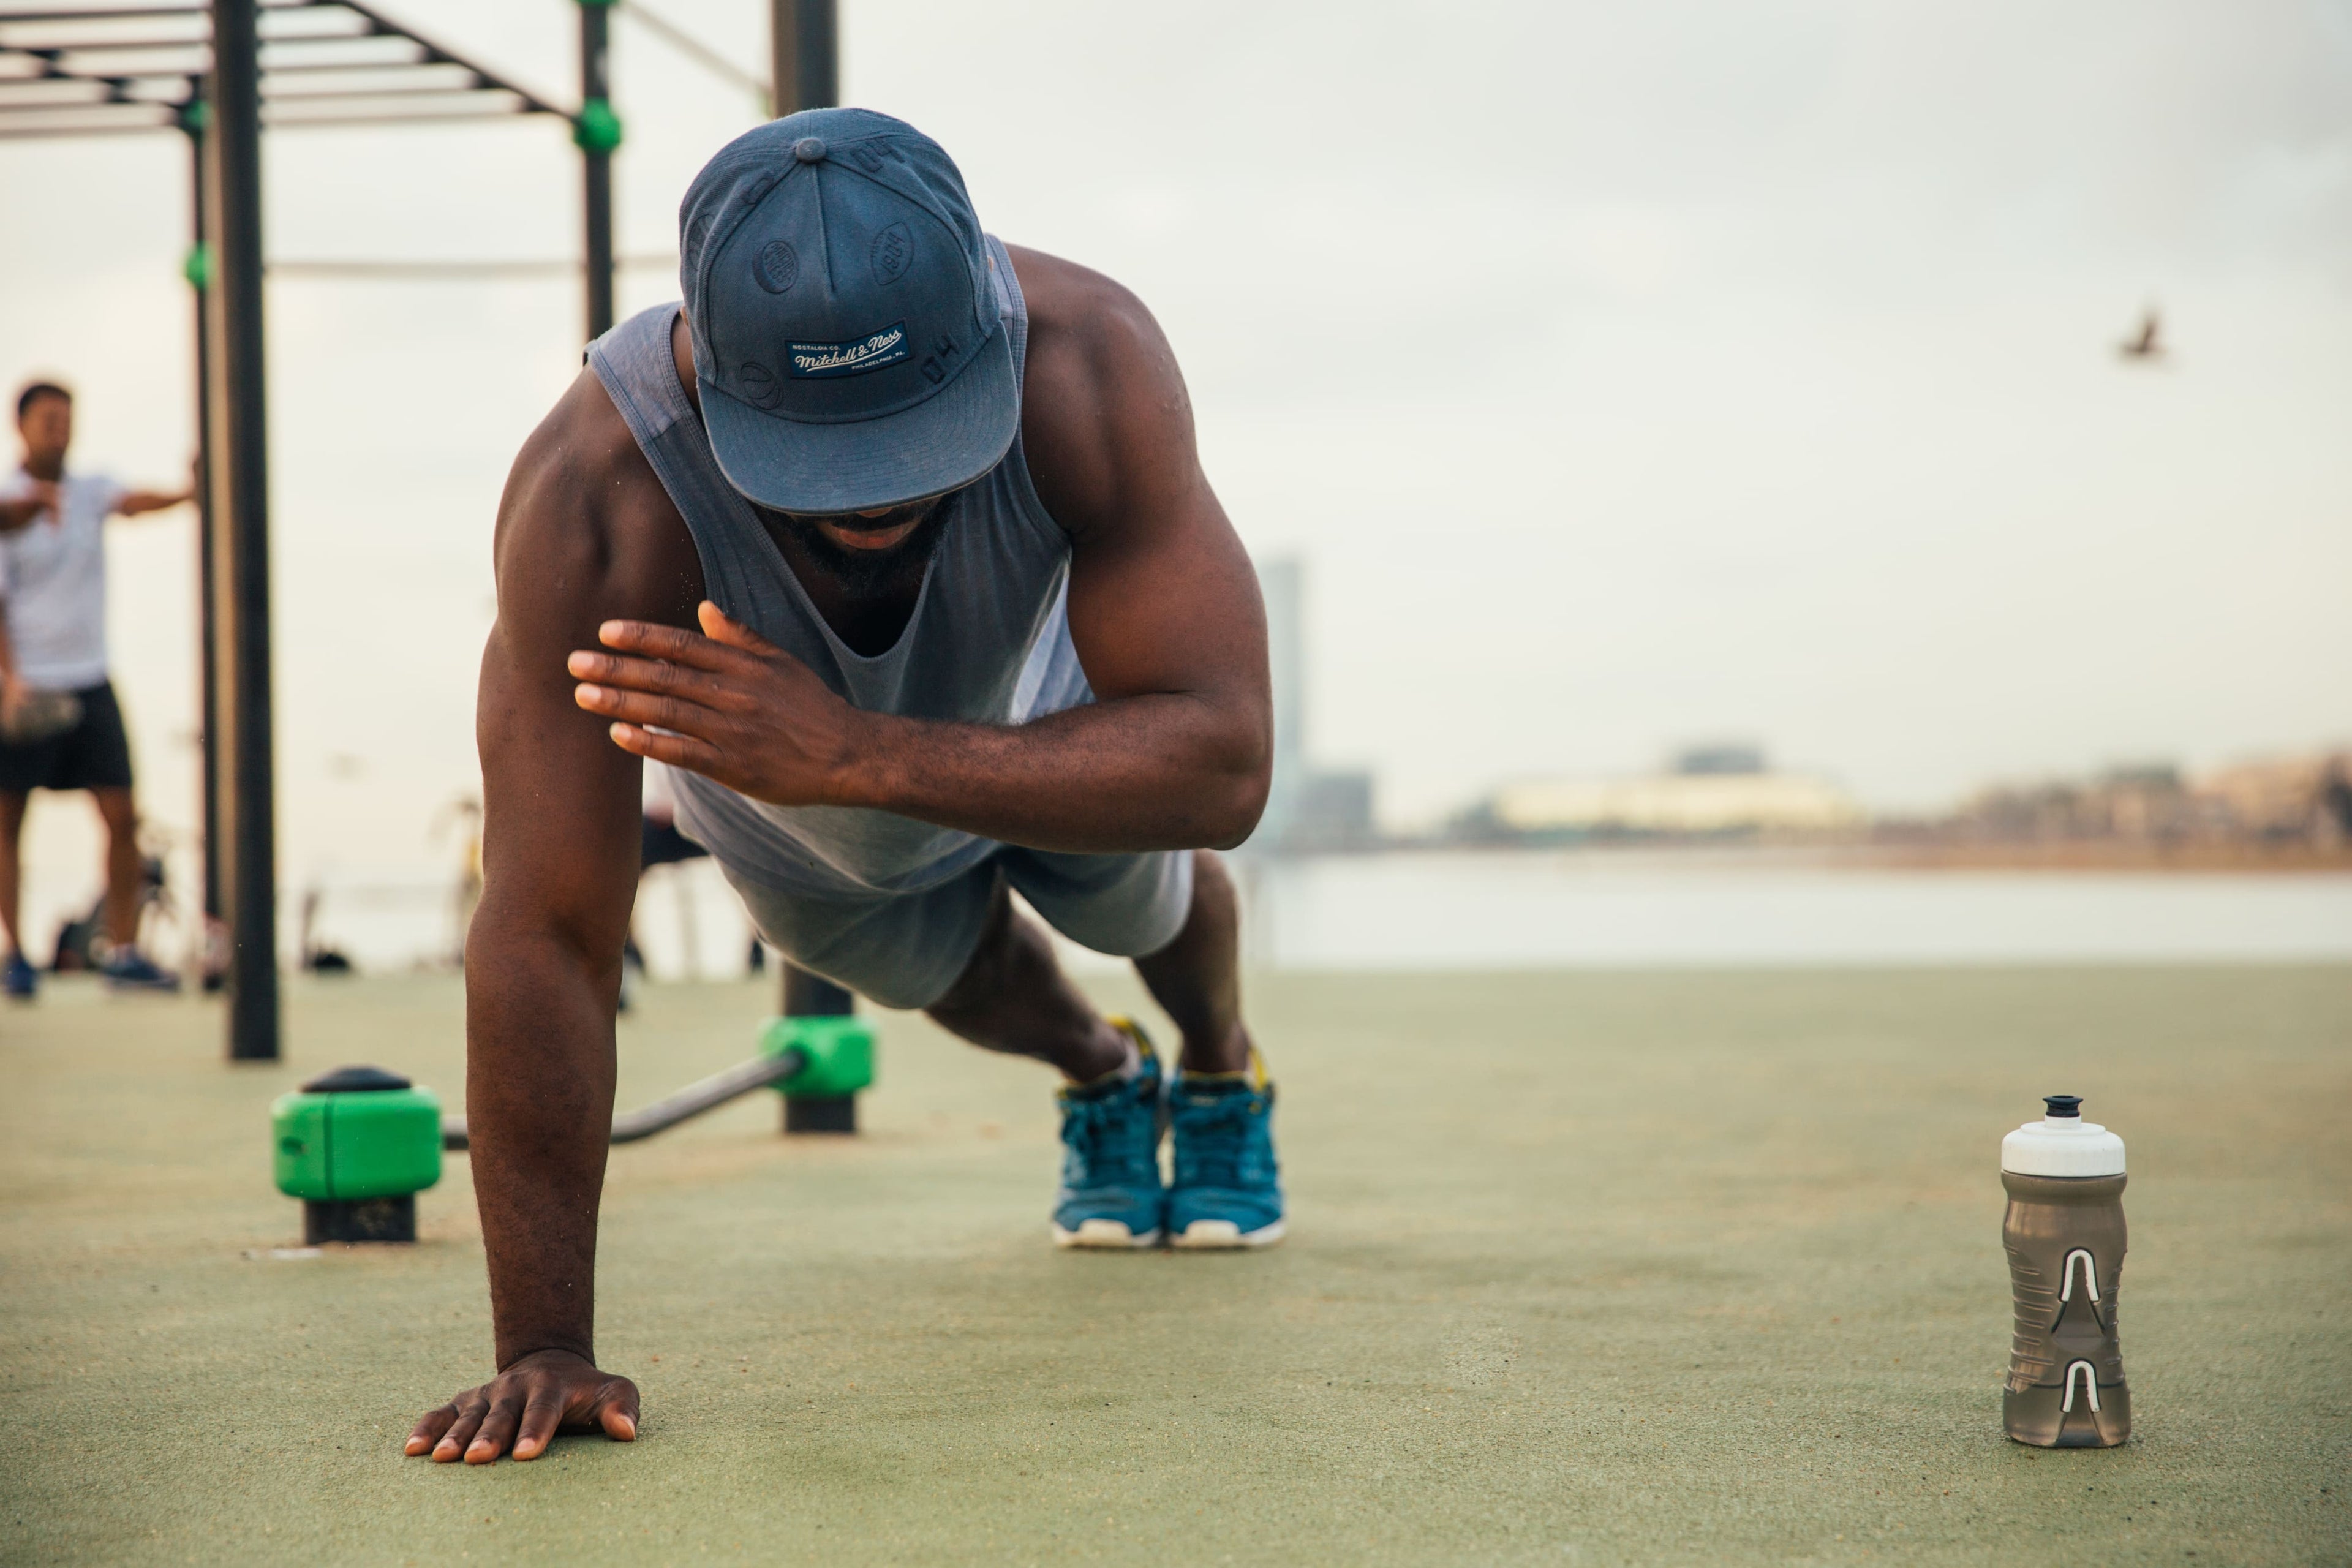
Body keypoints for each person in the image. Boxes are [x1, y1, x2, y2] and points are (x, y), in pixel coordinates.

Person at [405, 110, 1281, 1466]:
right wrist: (541, 1343)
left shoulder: (1090, 358)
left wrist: (860, 750)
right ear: (710, 377)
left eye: (914, 434)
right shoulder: (597, 495)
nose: (875, 493)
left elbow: (1223, 758)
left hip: (1039, 698)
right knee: (944, 964)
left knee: (1144, 900)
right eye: (826, 451)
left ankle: (1219, 1073)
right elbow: (544, 926)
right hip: (779, 793)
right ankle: (1103, 1072)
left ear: (985, 327)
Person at [0, 380, 192, 998]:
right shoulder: (6, 502)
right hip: (28, 685)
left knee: (122, 816)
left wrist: (193, 490)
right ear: (21, 425)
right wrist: (9, 681)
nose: (60, 429)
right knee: (8, 821)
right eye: (48, 419)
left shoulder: (88, 493)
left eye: (67, 419)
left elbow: (136, 501)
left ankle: (124, 951)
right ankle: (16, 955)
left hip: (90, 679)